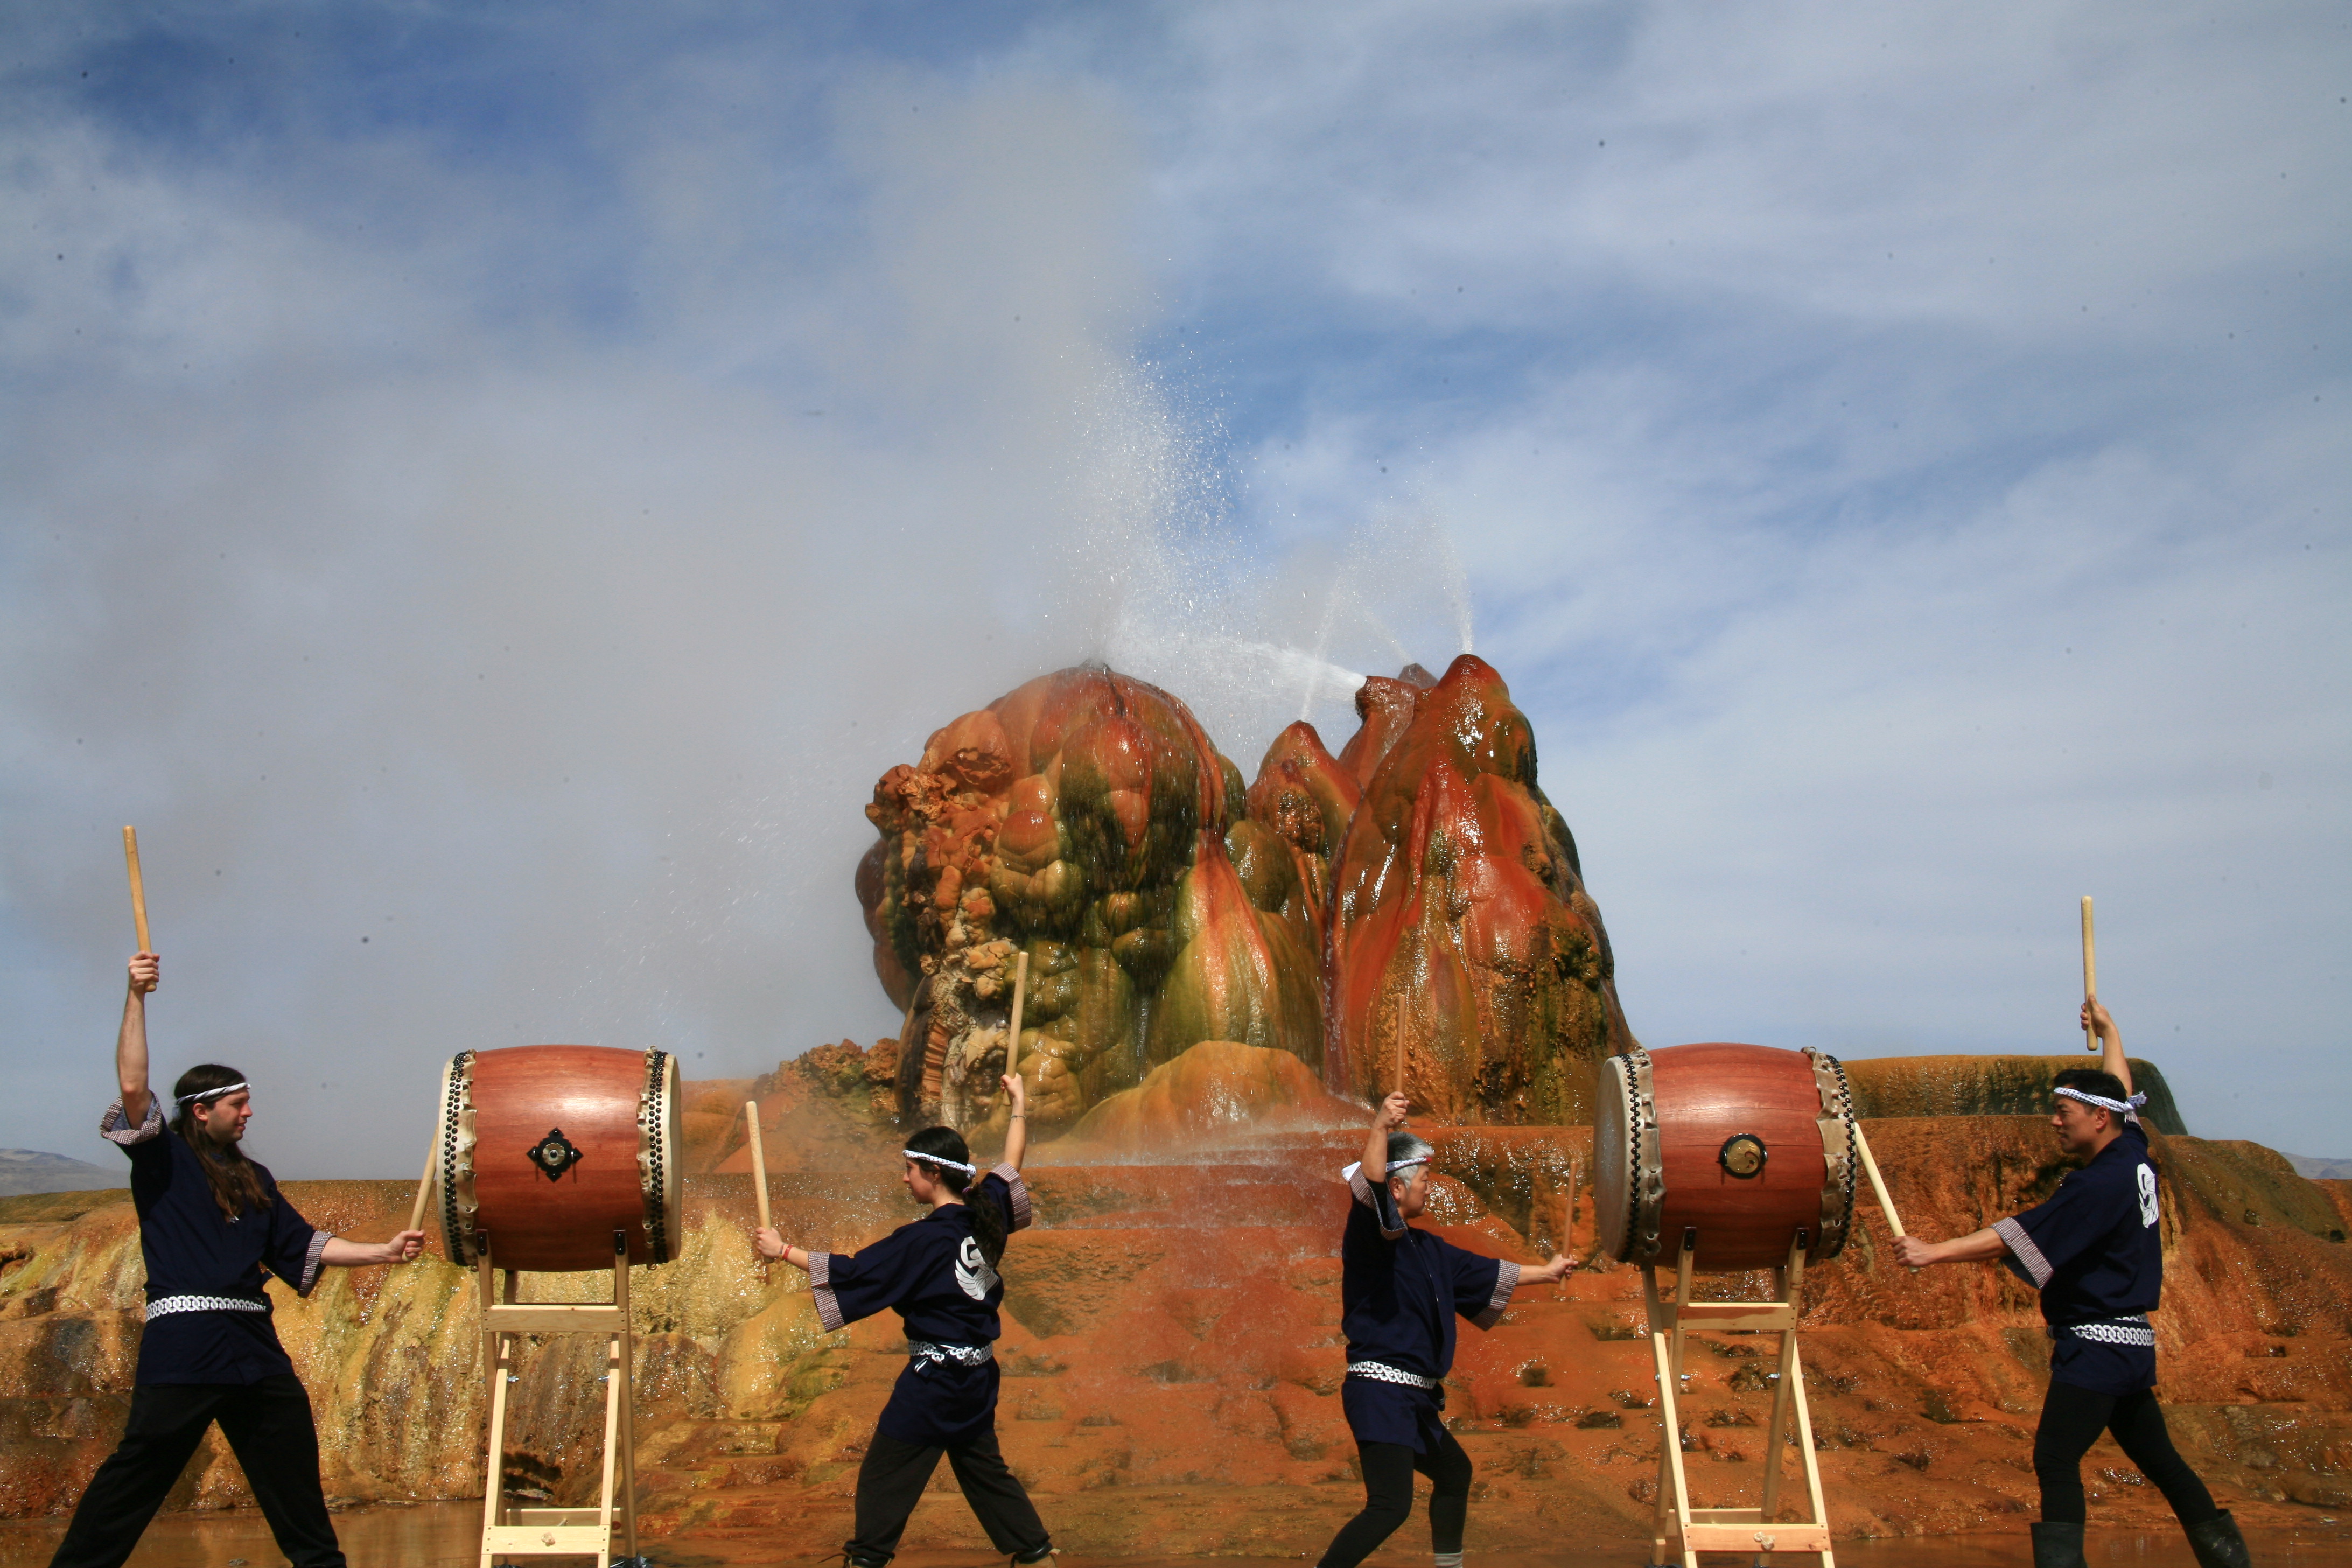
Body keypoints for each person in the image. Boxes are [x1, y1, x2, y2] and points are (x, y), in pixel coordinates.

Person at [51, 952, 425, 1568]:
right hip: (186, 1342)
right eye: (238, 1104)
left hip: (253, 1343)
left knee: (290, 1467)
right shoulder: (162, 1158)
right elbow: (131, 1085)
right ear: (201, 1110)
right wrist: (136, 994)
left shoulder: (255, 1177)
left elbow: (304, 1246)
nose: (249, 1112)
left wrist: (381, 1251)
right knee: (141, 1467)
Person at [1893, 999, 2250, 1568]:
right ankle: (2231, 1561)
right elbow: (2122, 1092)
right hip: (2129, 1343)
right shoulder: (2133, 1154)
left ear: (2097, 1118)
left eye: (2064, 1111)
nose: (2055, 1121)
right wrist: (2111, 1030)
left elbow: (2015, 1235)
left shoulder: (2096, 1186)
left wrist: (1933, 1251)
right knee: (2162, 1462)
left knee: (2056, 1457)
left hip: (2098, 1345)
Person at [753, 1072, 1053, 1568]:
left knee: (884, 1475)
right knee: (982, 1470)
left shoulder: (921, 1239)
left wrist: (782, 1250)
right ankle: (1037, 1555)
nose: (904, 1177)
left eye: (910, 1168)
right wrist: (1019, 1103)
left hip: (934, 1383)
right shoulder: (987, 1213)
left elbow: (853, 1272)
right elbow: (1011, 1163)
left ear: (934, 1174)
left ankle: (867, 1559)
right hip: (977, 1379)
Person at [1313, 1091, 1575, 1568]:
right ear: (1397, 1189)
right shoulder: (1373, 1237)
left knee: (1454, 1473)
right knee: (1391, 1506)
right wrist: (1380, 1127)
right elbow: (1371, 1183)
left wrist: (1550, 1271)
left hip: (1415, 1400)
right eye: (1424, 1180)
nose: (1429, 1188)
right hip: (1380, 1392)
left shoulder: (1430, 1250)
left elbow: (1490, 1273)